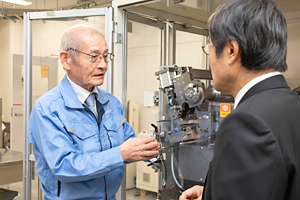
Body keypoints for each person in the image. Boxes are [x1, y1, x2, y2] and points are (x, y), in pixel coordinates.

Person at [180, 0, 300, 199]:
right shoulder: (292, 104)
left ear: (231, 51)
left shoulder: (247, 123)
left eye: (209, 46)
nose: (210, 57)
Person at [27, 23, 159, 200]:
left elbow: (129, 143)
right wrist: (120, 154)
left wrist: (153, 149)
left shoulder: (111, 103)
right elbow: (64, 166)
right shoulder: (48, 108)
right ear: (66, 60)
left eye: (105, 56)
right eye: (94, 57)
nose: (103, 65)